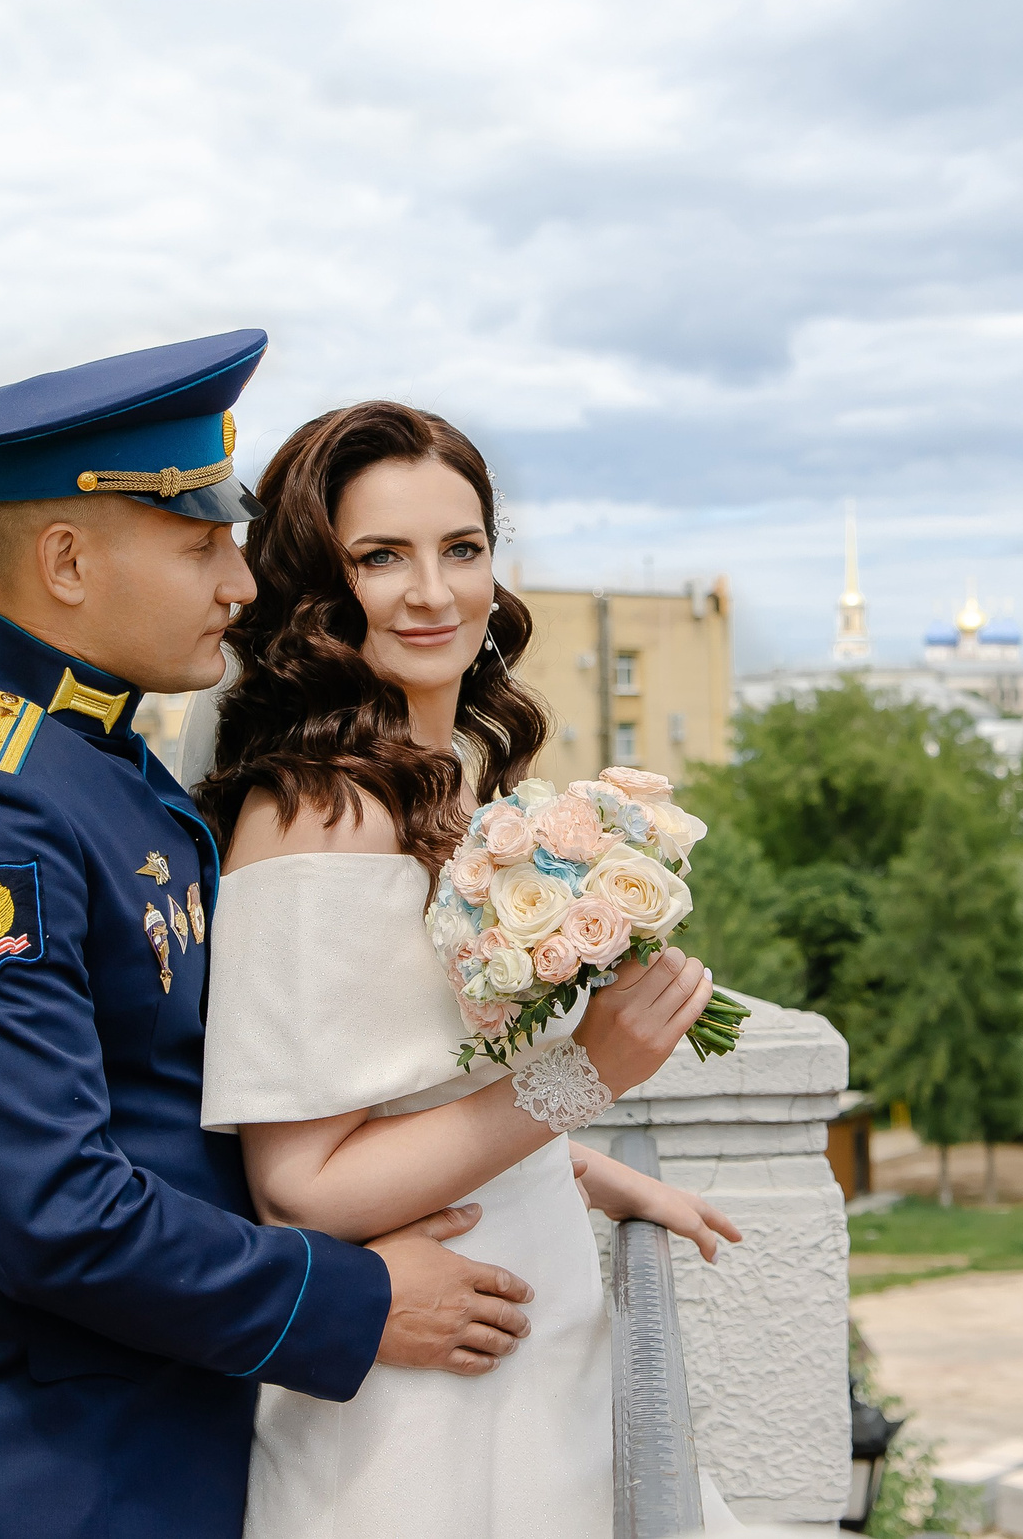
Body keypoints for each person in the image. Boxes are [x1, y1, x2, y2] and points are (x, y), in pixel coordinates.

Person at [0, 332, 537, 1539]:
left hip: (166, 1437)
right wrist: (352, 1298)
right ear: (64, 558)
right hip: (39, 1475)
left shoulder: (99, 767)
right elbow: (60, 1212)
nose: (241, 584)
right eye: (201, 543)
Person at [185, 400, 742, 1537]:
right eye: (380, 556)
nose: (432, 591)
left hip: (526, 1321)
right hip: (418, 1379)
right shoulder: (319, 811)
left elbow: (418, 1077)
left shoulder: (453, 779)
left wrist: (584, 1170)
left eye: (462, 548)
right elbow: (300, 1182)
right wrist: (585, 1072)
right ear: (318, 589)